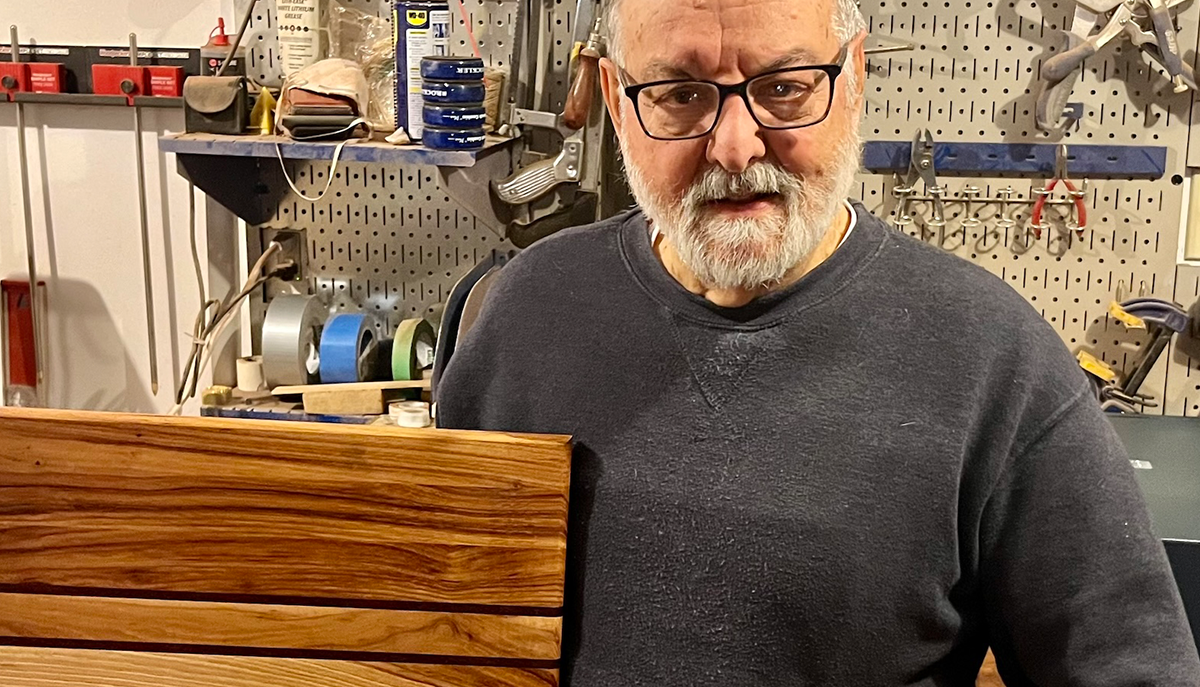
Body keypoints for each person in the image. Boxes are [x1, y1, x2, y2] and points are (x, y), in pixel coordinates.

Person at [436, 0, 1200, 682]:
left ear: (853, 75)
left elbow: (1133, 667)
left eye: (784, 88)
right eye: (680, 94)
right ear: (614, 98)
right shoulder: (528, 311)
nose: (735, 147)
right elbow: (437, 619)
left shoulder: (994, 360)